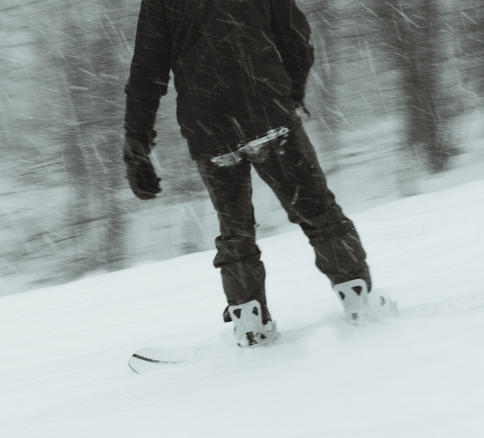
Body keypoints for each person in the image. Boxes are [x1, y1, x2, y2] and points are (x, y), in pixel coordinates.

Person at [123, 0, 395, 348]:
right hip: (269, 114)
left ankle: (249, 320)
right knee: (317, 212)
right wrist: (289, 94)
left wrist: (137, 147)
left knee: (235, 232)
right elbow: (297, 39)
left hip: (210, 128)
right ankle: (355, 295)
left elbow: (147, 73)